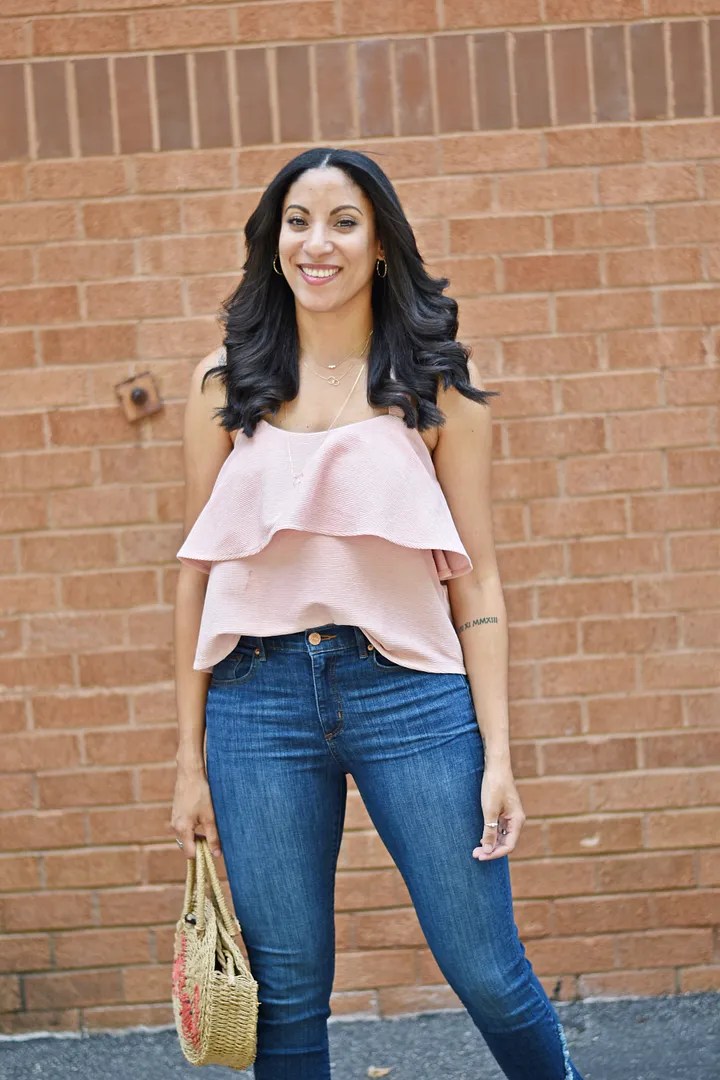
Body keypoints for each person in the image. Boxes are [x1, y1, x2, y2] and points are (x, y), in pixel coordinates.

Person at [171, 146, 585, 1080]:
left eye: (344, 222)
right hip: (255, 701)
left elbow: (476, 581)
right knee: (285, 992)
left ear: (382, 244)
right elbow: (196, 576)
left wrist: (500, 756)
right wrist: (187, 762)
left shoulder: (435, 385)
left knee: (488, 972)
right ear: (274, 240)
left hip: (410, 694)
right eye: (298, 221)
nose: (317, 243)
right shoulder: (223, 385)